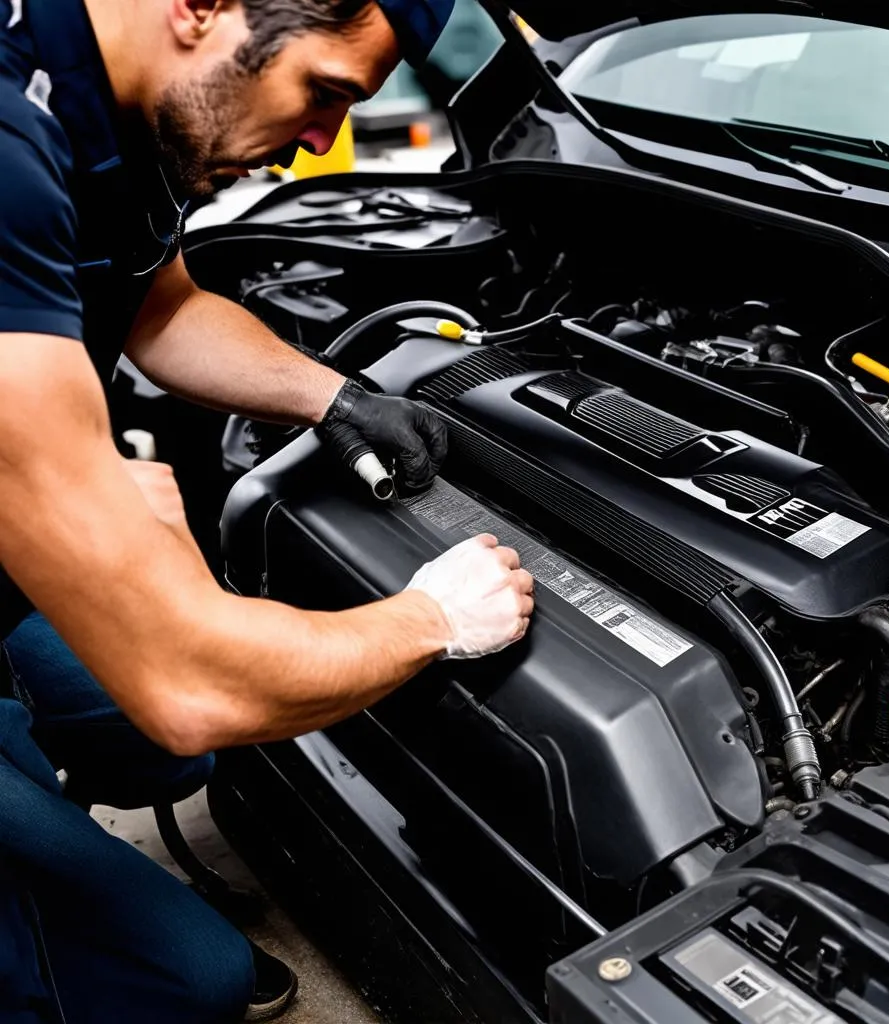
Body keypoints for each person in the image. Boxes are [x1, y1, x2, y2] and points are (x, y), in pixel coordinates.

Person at [0, 0, 536, 1020]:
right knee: (185, 982)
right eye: (322, 94)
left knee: (167, 748)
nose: (319, 145)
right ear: (204, 8)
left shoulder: (111, 107)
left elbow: (161, 308)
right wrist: (432, 619)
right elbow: (188, 684)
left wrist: (328, 395)